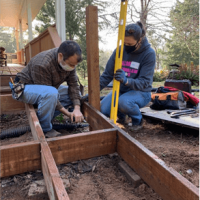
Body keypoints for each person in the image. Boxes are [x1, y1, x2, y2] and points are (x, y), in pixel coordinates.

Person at [12, 40, 84, 137]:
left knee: (75, 95)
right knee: (51, 93)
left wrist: (77, 109)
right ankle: (45, 128)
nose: (72, 67)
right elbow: (49, 92)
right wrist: (68, 113)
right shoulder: (42, 63)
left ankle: (43, 116)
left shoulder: (69, 61)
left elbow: (73, 85)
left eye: (74, 65)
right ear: (60, 56)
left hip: (48, 89)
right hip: (24, 88)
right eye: (71, 64)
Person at [100, 21, 156, 131]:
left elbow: (144, 82)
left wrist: (126, 81)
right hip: (121, 91)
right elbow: (107, 75)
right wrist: (93, 92)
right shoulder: (119, 50)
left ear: (139, 40)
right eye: (125, 43)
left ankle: (138, 120)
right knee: (103, 109)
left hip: (141, 92)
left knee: (124, 102)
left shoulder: (149, 53)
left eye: (130, 45)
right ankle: (121, 117)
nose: (126, 47)